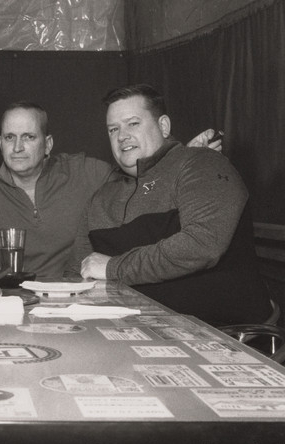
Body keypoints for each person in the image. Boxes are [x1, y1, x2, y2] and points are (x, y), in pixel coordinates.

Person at [71, 83, 271, 325]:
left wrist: (114, 268)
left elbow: (202, 245)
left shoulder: (202, 165)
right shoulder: (101, 198)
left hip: (219, 335)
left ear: (163, 126)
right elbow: (78, 271)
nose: (122, 136)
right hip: (128, 334)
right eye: (113, 129)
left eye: (133, 123)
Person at [0, 101, 224, 281]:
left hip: (77, 297)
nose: (17, 147)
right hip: (12, 301)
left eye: (28, 137)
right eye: (9, 138)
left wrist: (180, 157)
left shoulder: (85, 171)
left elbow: (142, 177)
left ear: (47, 144)